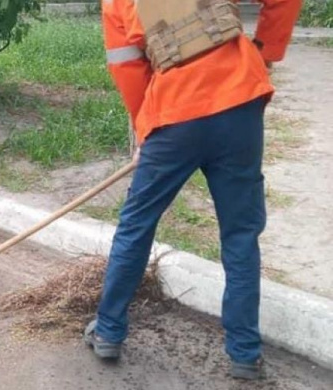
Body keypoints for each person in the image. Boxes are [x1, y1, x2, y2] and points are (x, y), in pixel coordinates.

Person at [84, 0, 302, 381]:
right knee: (240, 233)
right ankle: (245, 353)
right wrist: (265, 51)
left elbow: (126, 64)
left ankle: (108, 330)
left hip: (173, 114)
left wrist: (145, 127)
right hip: (238, 102)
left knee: (137, 224)